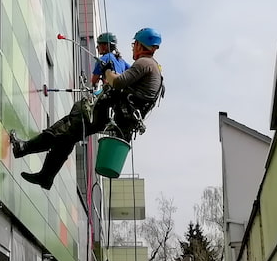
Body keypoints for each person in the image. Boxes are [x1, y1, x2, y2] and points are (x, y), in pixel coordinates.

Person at [10, 27, 164, 190]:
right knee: (68, 136)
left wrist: (107, 71)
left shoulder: (144, 63)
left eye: (134, 44)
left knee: (66, 127)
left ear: (140, 45)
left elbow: (117, 82)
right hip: (117, 117)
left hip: (108, 112)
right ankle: (45, 177)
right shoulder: (153, 67)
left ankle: (24, 149)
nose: (133, 47)